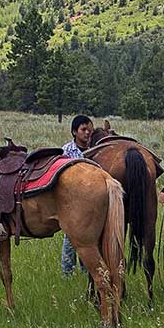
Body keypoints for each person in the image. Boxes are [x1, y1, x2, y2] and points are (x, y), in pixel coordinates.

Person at [59, 115, 95, 276]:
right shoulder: (66, 151)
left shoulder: (95, 150)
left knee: (89, 238)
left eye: (89, 130)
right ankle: (67, 272)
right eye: (83, 130)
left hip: (91, 202)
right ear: (74, 132)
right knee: (71, 236)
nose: (87, 133)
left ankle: (86, 271)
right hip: (72, 201)